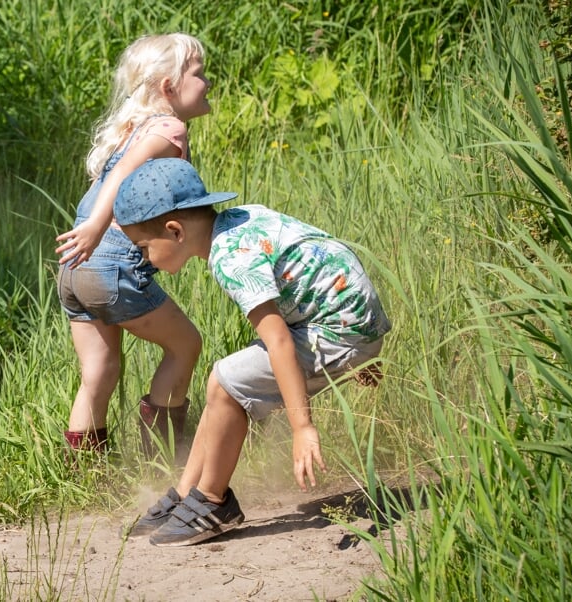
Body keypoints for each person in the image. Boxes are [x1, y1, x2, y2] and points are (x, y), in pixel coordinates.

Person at [112, 158, 392, 546]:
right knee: (221, 383)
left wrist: (302, 426)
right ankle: (184, 493)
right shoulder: (239, 220)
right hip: (348, 324)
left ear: (175, 231)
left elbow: (277, 340)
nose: (144, 259)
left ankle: (213, 502)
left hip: (339, 333)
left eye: (143, 247)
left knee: (226, 382)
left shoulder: (230, 258)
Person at [55, 34, 213, 458]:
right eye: (199, 75)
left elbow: (108, 176)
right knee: (185, 346)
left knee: (99, 372)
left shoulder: (129, 129)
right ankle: (162, 462)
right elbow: (123, 173)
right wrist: (95, 228)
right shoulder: (169, 129)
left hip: (74, 271)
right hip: (109, 265)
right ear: (168, 87)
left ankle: (83, 475)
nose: (208, 83)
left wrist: (88, 234)